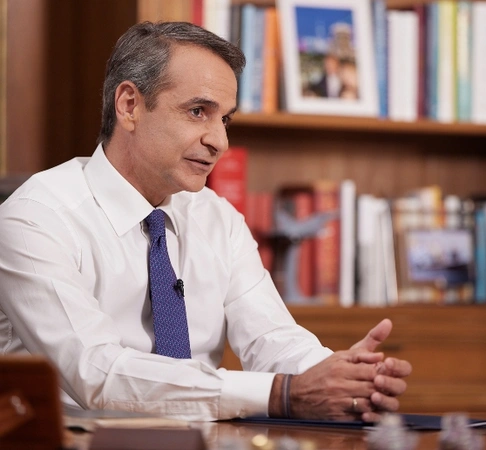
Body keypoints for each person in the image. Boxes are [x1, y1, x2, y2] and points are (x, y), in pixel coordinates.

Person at [0, 21, 411, 422]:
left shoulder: (217, 217)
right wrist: (282, 394)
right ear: (129, 106)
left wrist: (343, 377)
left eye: (225, 119)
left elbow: (271, 338)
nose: (220, 141)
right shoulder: (35, 218)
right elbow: (97, 372)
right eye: (198, 112)